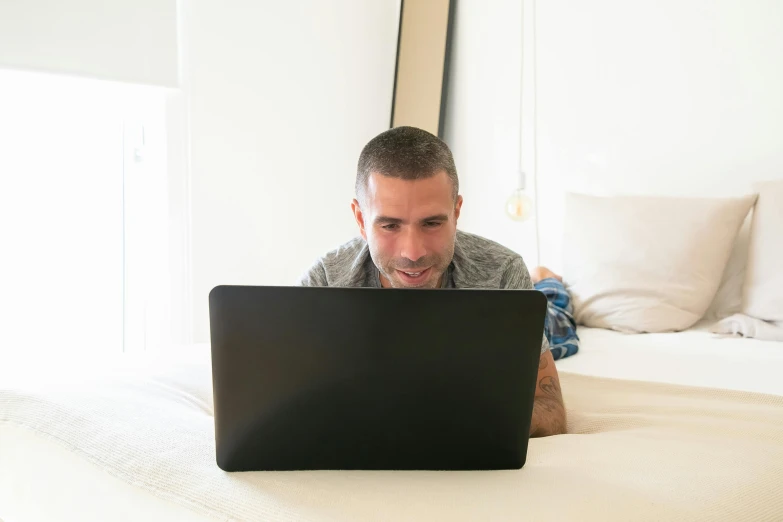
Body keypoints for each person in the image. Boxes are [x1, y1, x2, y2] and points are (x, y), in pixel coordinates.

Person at [298, 126, 566, 437]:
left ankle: (548, 281)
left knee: (558, 316)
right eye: (389, 225)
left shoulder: (503, 273)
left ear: (456, 211)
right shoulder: (325, 281)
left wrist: (427, 419)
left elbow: (551, 410)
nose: (412, 253)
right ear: (360, 219)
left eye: (432, 223)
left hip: (546, 315)